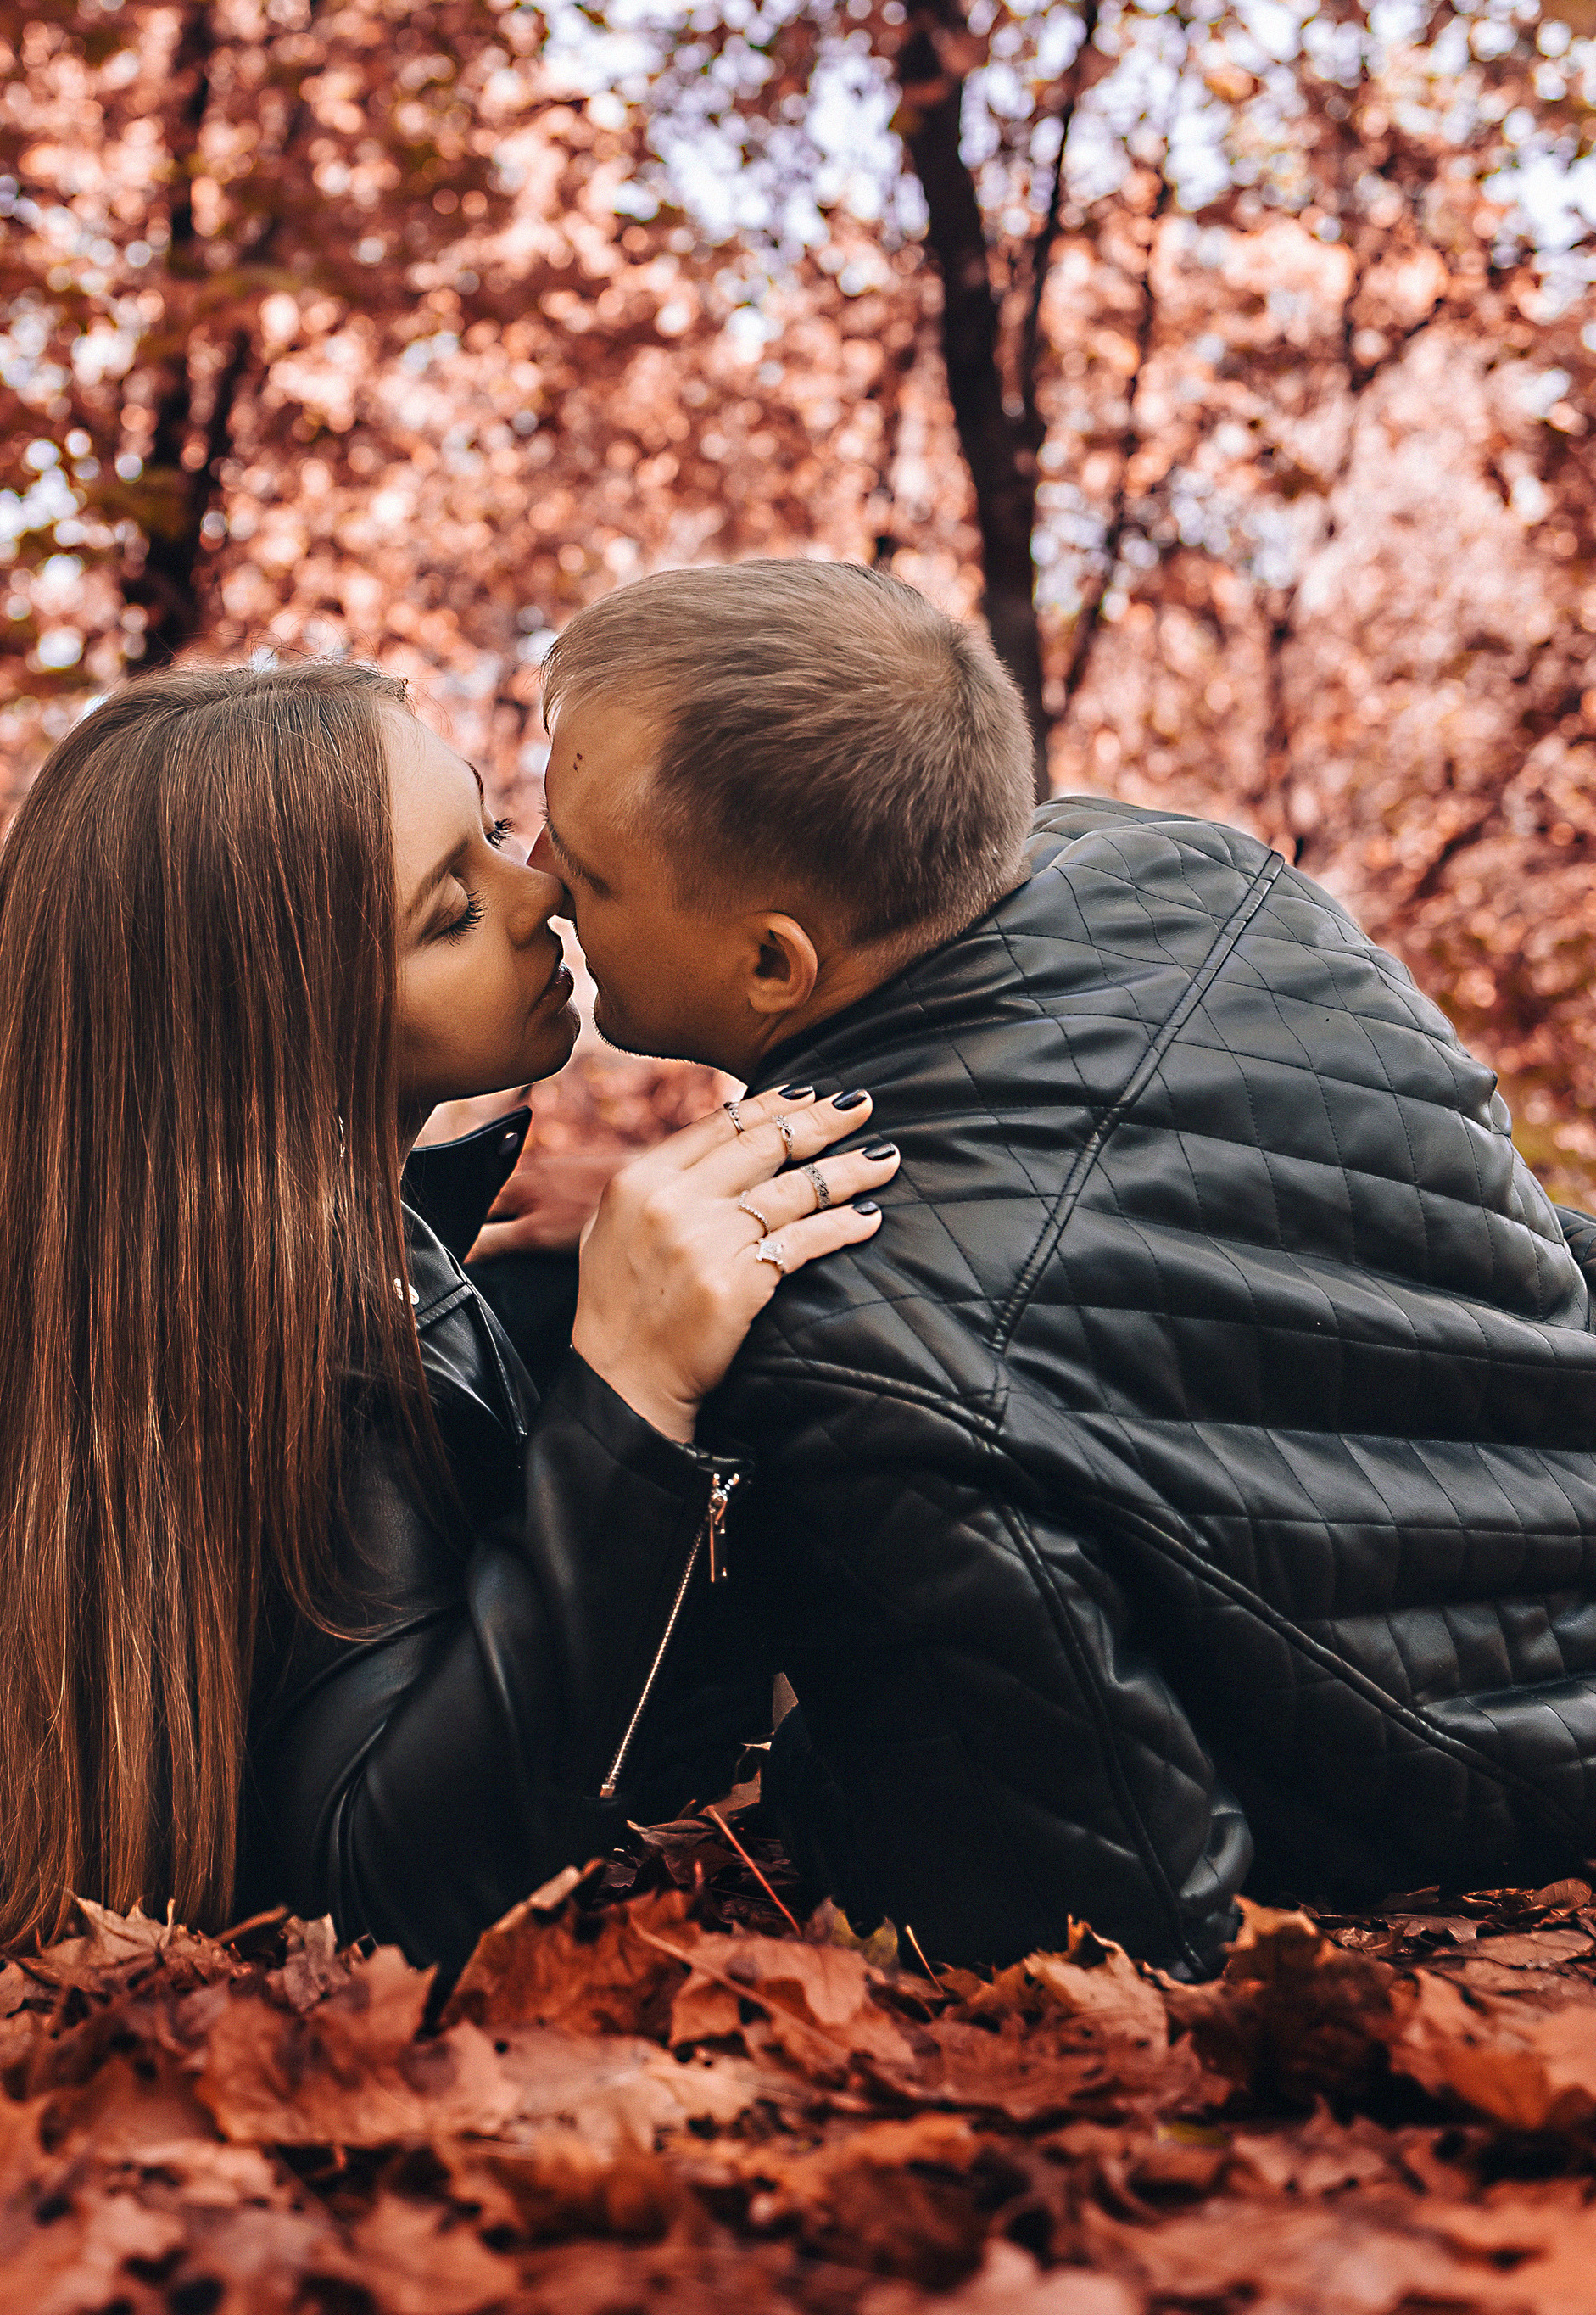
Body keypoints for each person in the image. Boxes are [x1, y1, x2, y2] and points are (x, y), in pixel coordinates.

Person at [531, 557, 1596, 1978]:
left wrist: (805, 1730)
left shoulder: (845, 1347)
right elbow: (1508, 1229)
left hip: (1506, 1796)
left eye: (586, 872)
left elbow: (1094, 1924)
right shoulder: (1194, 873)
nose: (536, 884)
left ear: (775, 966)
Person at [0, 662, 894, 1960]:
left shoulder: (155, 1311)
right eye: (452, 908)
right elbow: (385, 1896)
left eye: (494, 830)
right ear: (277, 1031)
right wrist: (624, 1390)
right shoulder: (306, 1360)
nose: (542, 890)